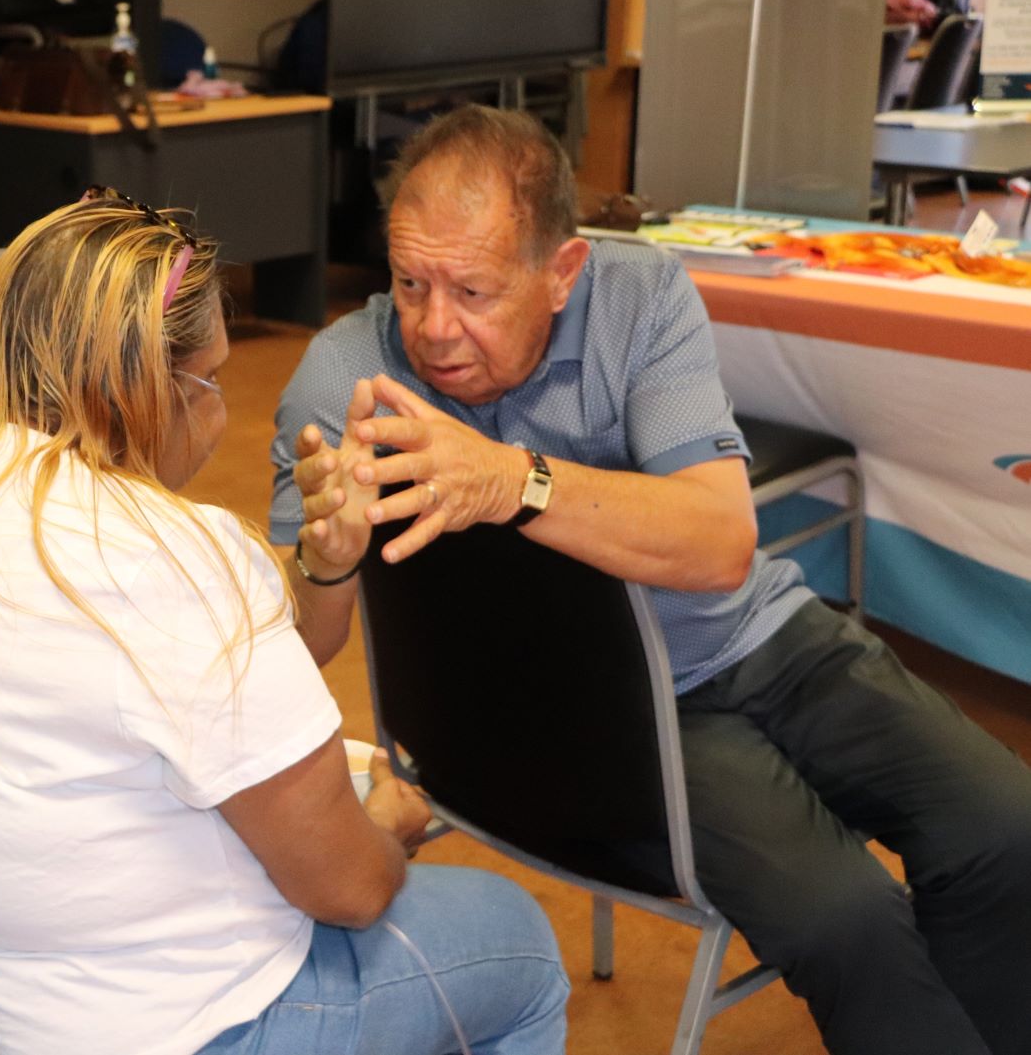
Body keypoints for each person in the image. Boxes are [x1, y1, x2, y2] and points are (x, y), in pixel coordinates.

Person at [273, 104, 1031, 1055]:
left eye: (472, 290)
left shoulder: (638, 296)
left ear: (561, 274)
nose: (432, 327)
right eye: (408, 280)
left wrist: (512, 480)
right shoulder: (340, 374)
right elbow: (302, 643)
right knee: (844, 916)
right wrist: (325, 558)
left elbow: (719, 544)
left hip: (754, 635)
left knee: (1004, 825)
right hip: (582, 714)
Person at [0, 191, 569, 1055]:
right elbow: (347, 888)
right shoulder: (169, 553)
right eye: (214, 380)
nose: (220, 413)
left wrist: (325, 562)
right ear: (150, 388)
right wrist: (388, 827)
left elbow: (200, 668)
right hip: (151, 1026)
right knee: (515, 941)